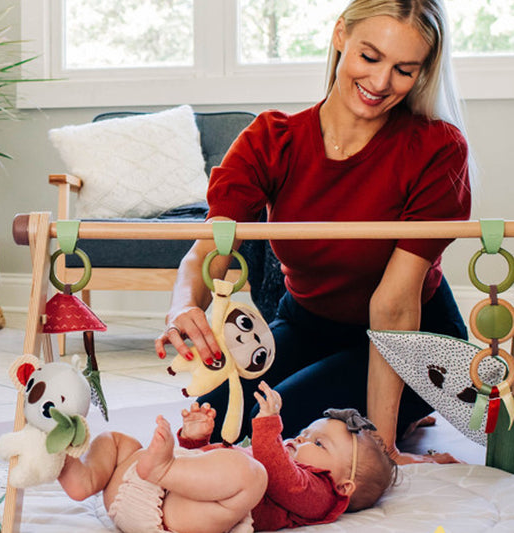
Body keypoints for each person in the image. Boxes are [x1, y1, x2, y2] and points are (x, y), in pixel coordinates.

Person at [155, 0, 472, 465]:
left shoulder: (437, 148)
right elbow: (209, 251)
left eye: (404, 70)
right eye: (369, 57)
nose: (381, 82)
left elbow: (394, 303)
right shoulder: (272, 139)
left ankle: (404, 412)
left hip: (411, 339)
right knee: (221, 421)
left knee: (280, 433)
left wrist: (380, 449)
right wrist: (183, 306)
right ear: (341, 35)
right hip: (307, 322)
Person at [58, 382, 397, 533]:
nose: (300, 439)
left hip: (172, 515)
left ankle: (164, 467)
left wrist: (267, 427)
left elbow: (281, 478)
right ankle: (83, 477)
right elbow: (204, 474)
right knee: (118, 441)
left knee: (252, 473)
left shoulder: (322, 495)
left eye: (318, 444)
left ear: (345, 485)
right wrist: (196, 441)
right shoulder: (274, 456)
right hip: (139, 489)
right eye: (306, 432)